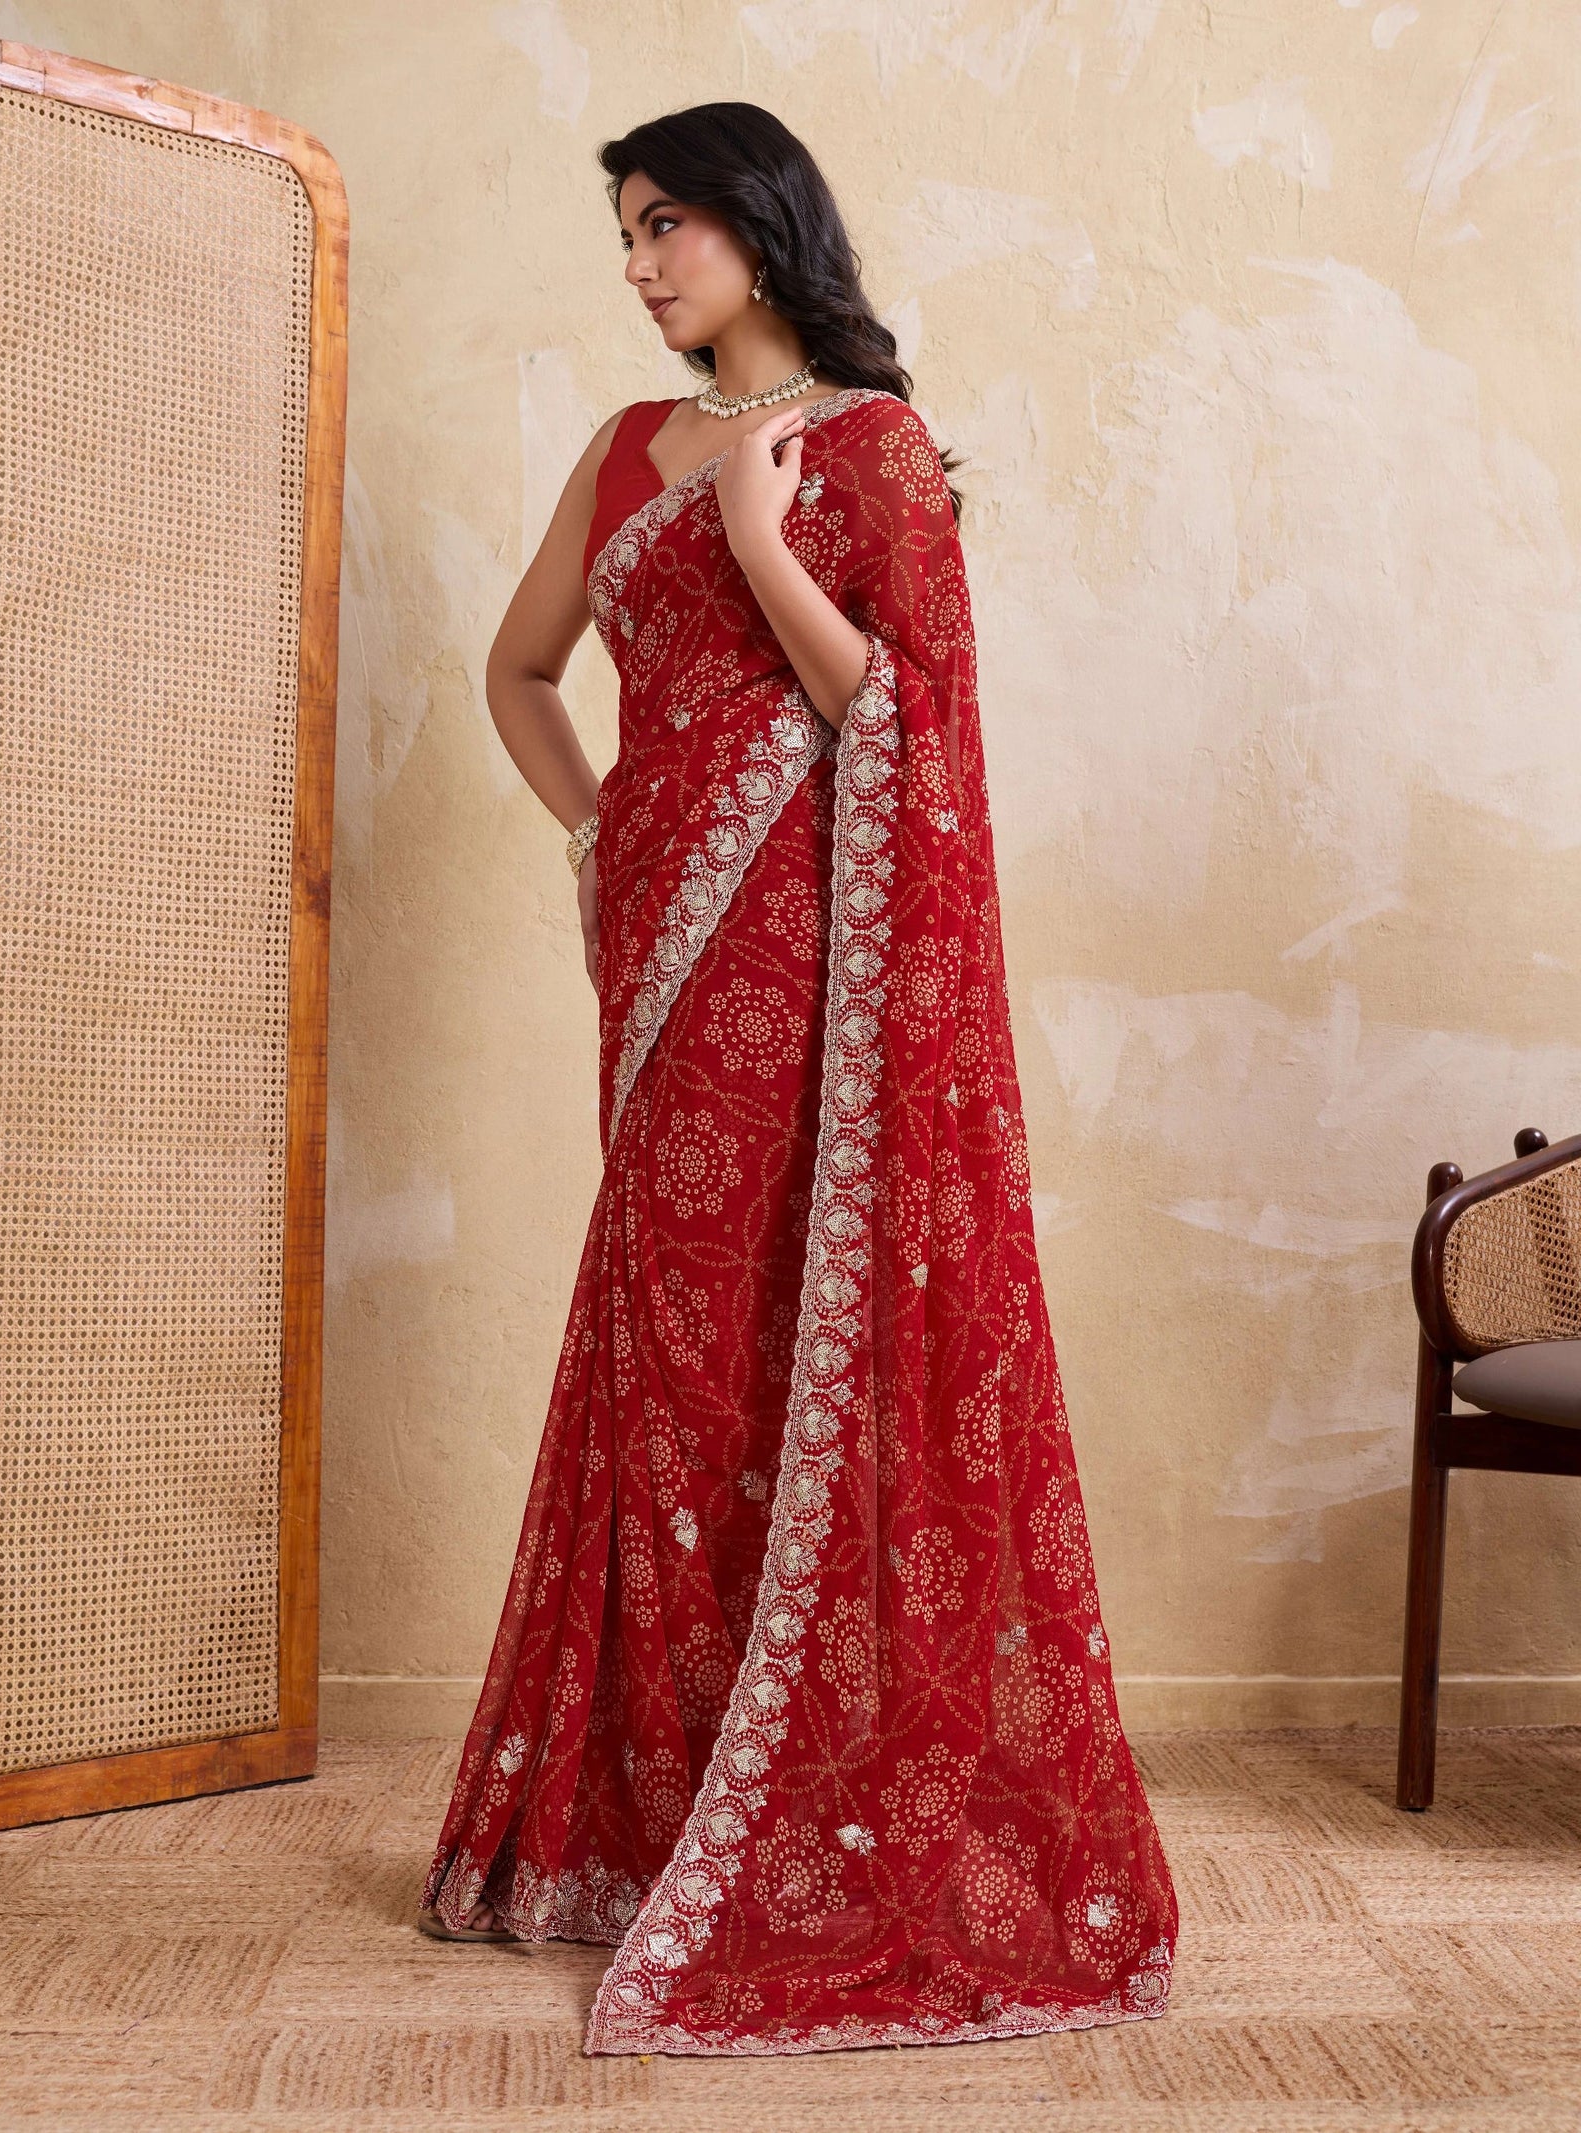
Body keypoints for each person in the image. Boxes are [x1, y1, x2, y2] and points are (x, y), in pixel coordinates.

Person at [418, 99, 1178, 2058]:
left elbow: (903, 718)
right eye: (623, 234)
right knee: (661, 1351)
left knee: (784, 1334)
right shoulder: (613, 453)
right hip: (657, 963)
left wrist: (760, 535)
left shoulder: (867, 448)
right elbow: (514, 673)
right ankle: (653, 1804)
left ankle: (801, 1803)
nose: (639, 263)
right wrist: (598, 839)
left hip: (816, 965)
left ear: (760, 225)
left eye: (666, 223)